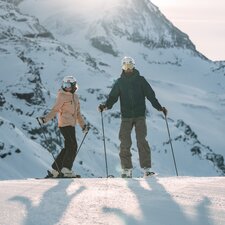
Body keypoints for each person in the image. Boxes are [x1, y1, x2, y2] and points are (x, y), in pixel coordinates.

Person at [98, 56, 167, 178]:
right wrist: (105, 106)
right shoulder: (120, 82)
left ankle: (147, 169)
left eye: (130, 66)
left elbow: (150, 95)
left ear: (133, 66)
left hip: (140, 116)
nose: (128, 68)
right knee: (125, 142)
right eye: (125, 66)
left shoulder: (140, 80)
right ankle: (126, 169)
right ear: (122, 67)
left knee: (142, 141)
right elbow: (113, 97)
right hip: (126, 117)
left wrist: (159, 107)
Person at [38, 75, 89, 178]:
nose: (66, 87)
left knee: (68, 147)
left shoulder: (75, 97)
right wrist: (45, 119)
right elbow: (55, 109)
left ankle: (56, 170)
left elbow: (78, 114)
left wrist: (83, 126)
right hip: (64, 124)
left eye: (68, 85)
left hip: (71, 125)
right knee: (73, 146)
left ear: (74, 86)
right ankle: (66, 169)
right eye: (64, 85)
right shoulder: (62, 96)